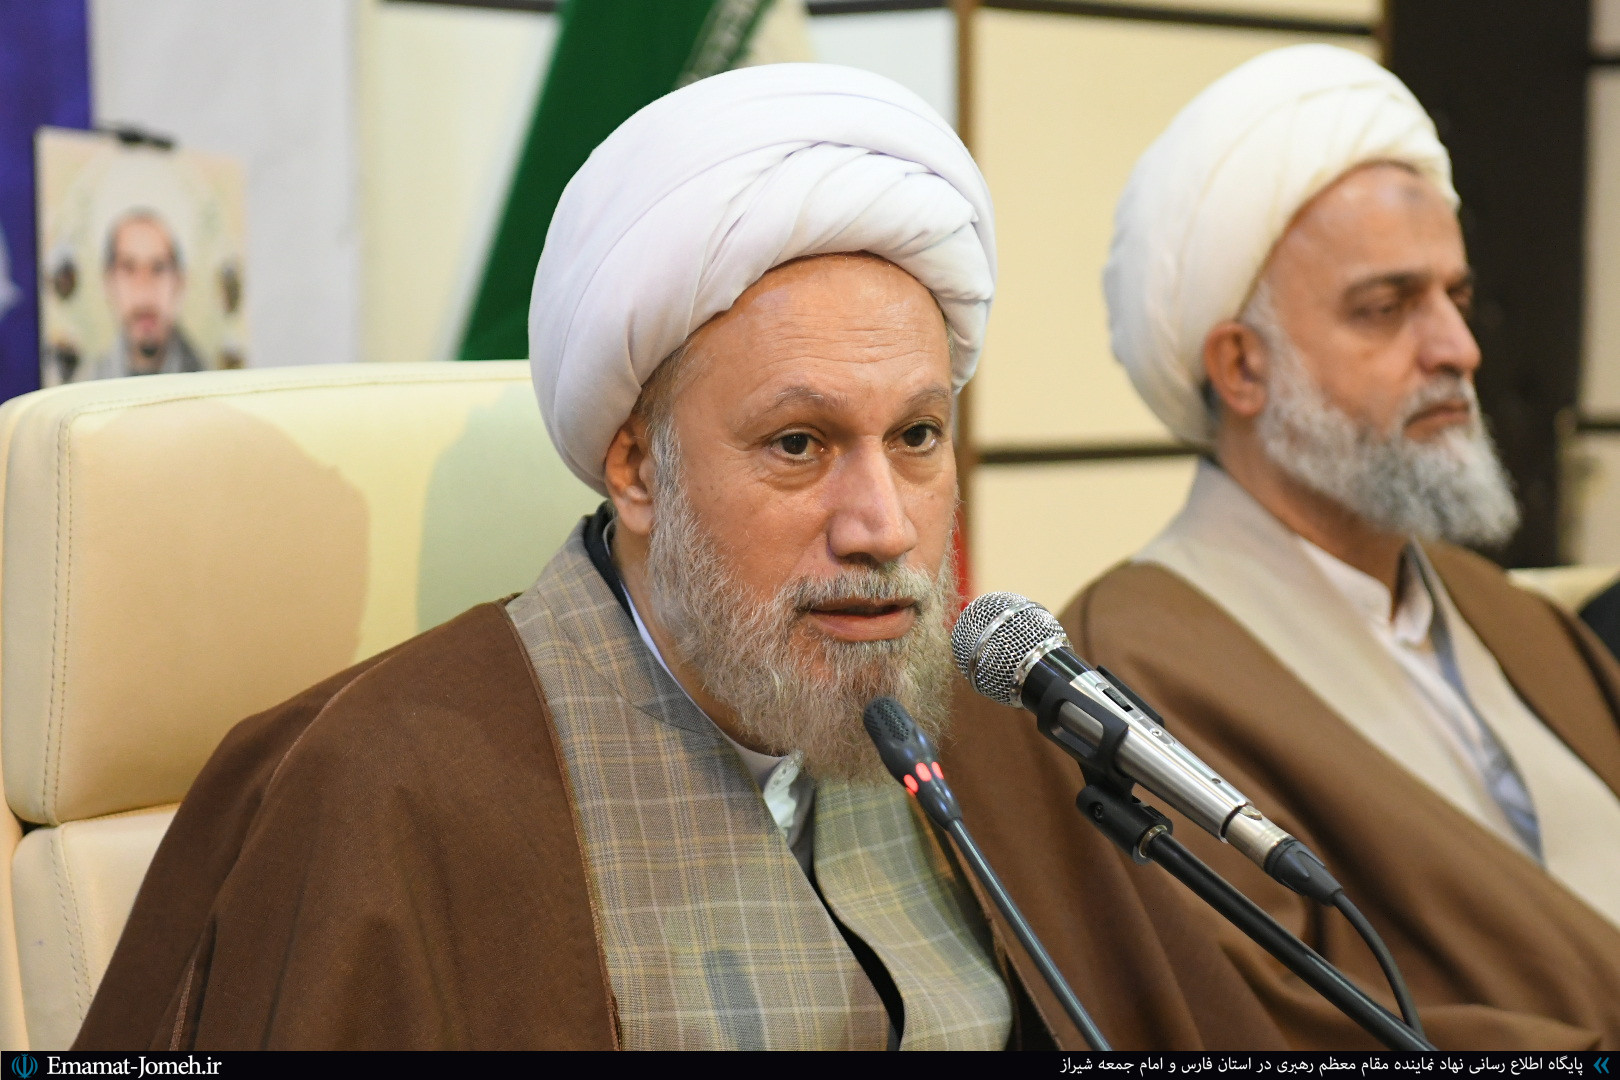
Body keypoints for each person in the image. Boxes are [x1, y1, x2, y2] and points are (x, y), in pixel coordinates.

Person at [76, 64, 1281, 1051]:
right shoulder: (390, 789)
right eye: (800, 445)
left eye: (917, 437)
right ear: (636, 468)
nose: (882, 525)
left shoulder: (995, 742)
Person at [1070, 44, 1620, 1049]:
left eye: (1454, 297)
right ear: (1242, 367)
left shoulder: (1506, 615)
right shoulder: (1136, 663)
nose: (1458, 349)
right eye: (1388, 307)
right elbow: (1269, 1021)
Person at [95, 209, 203, 379]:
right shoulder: (83, 387)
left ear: (179, 281)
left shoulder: (215, 384)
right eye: (129, 268)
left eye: (158, 268)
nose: (144, 289)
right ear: (108, 282)